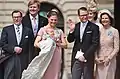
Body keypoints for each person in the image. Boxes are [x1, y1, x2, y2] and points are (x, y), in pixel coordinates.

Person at [21, 11, 67, 79]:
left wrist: (56, 42)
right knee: (44, 72)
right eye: (52, 19)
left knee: (55, 74)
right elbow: (35, 43)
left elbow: (65, 45)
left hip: (56, 56)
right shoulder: (42, 30)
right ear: (48, 19)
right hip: (45, 55)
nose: (53, 21)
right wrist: (46, 43)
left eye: (55, 20)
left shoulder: (59, 31)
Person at [67, 7, 100, 79]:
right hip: (76, 57)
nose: (84, 17)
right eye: (82, 15)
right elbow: (70, 40)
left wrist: (85, 55)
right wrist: (71, 31)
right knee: (75, 76)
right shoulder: (76, 26)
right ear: (79, 16)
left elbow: (95, 44)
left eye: (86, 15)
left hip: (88, 57)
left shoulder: (94, 27)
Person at [0, 10, 32, 79]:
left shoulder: (28, 31)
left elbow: (30, 48)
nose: (16, 19)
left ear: (21, 18)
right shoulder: (6, 30)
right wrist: (13, 48)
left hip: (23, 60)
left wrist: (30, 62)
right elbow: (2, 44)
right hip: (9, 59)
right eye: (14, 17)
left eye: (18, 17)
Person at [95, 12, 119, 79]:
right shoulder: (98, 31)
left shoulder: (114, 31)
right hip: (100, 60)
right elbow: (95, 45)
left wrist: (109, 58)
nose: (104, 20)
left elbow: (116, 48)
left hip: (110, 60)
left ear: (110, 19)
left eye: (106, 18)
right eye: (102, 18)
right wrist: (96, 57)